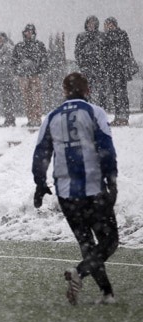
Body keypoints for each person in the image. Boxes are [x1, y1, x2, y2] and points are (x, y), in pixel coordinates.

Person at [32, 72, 119, 305]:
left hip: (66, 192)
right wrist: (112, 181)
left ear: (64, 91)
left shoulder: (51, 116)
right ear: (87, 90)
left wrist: (40, 184)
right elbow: (106, 148)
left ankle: (107, 293)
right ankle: (80, 273)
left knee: (86, 243)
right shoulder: (94, 112)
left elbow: (41, 152)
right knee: (109, 241)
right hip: (93, 189)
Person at [12, 24, 48, 127]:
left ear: (34, 33)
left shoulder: (39, 45)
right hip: (23, 77)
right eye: (27, 31)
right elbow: (14, 62)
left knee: (36, 98)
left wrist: (38, 70)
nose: (29, 33)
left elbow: (44, 61)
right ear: (24, 33)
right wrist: (19, 70)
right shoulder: (19, 46)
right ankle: (30, 119)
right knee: (27, 99)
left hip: (35, 76)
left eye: (31, 31)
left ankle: (37, 119)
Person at [102, 17, 135, 126]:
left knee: (122, 93)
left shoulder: (121, 34)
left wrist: (117, 57)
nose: (109, 26)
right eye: (107, 24)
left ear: (115, 24)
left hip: (121, 69)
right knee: (115, 94)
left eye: (111, 24)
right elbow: (103, 52)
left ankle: (124, 117)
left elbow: (126, 50)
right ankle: (118, 116)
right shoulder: (105, 36)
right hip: (111, 69)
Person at [75, 16, 106, 108]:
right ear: (86, 24)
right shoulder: (81, 36)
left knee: (98, 91)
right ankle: (86, 109)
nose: (91, 25)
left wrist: (102, 64)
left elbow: (104, 52)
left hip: (98, 68)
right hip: (85, 68)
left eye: (93, 23)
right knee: (85, 90)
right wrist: (81, 63)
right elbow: (77, 51)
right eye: (89, 23)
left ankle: (97, 110)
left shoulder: (101, 36)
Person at [0, 32, 18, 127]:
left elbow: (7, 61)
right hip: (3, 78)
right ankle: (9, 119)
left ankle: (10, 120)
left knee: (8, 100)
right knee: (5, 100)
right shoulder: (0, 48)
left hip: (8, 79)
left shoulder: (7, 47)